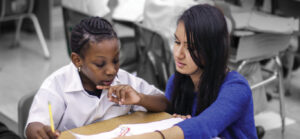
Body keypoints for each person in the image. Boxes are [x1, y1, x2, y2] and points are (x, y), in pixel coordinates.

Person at [115, 4, 258, 139]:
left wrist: (155, 136)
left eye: (190, 48)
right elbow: (168, 108)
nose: (178, 54)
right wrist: (141, 98)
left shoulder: (237, 88)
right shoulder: (180, 79)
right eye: (177, 42)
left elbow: (205, 125)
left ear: (212, 50)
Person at [25, 17, 168, 139]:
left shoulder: (124, 79)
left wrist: (140, 98)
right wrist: (41, 132)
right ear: (77, 60)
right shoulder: (57, 85)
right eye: (100, 64)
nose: (112, 71)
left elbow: (164, 103)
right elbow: (34, 126)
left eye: (116, 60)